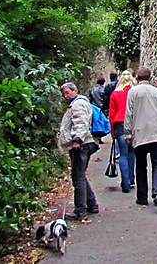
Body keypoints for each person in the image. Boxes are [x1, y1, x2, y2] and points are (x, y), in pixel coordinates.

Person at [124, 67, 157, 213]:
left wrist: (128, 134)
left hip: (140, 132)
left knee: (141, 165)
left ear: (137, 79)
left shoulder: (133, 92)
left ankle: (142, 196)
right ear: (150, 78)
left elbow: (129, 113)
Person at [58, 82, 100, 221]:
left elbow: (80, 122)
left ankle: (80, 210)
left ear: (75, 90)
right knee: (80, 175)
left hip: (82, 144)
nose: (65, 96)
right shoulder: (78, 103)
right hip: (85, 142)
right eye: (63, 94)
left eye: (67, 92)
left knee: (78, 177)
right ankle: (91, 204)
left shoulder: (78, 104)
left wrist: (77, 140)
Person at [108, 69, 136, 193]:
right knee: (131, 152)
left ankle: (125, 183)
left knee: (123, 154)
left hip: (119, 124)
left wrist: (112, 130)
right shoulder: (134, 92)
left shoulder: (115, 94)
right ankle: (131, 178)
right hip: (133, 123)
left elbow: (112, 114)